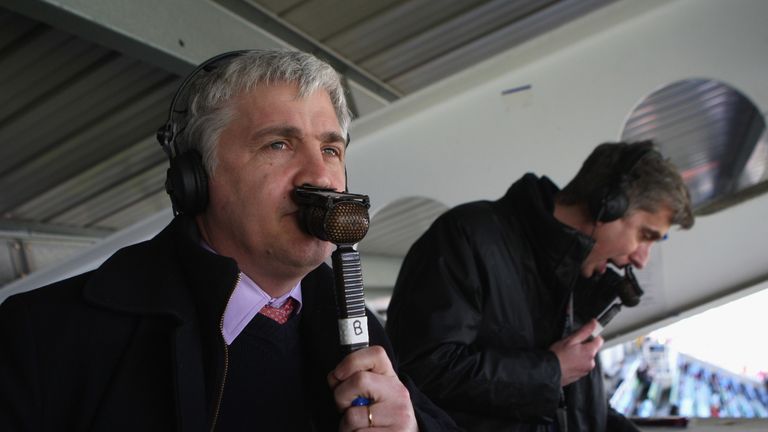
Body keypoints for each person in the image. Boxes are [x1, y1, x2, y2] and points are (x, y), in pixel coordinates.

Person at [0, 49, 459, 431]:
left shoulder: (356, 326)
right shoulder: (42, 337)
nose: (321, 176)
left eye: (331, 149)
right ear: (197, 179)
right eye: (278, 144)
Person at [385, 141, 695, 432]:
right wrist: (551, 372)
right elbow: (421, 369)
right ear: (608, 204)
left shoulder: (579, 278)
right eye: (645, 235)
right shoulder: (467, 237)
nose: (642, 260)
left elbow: (575, 409)